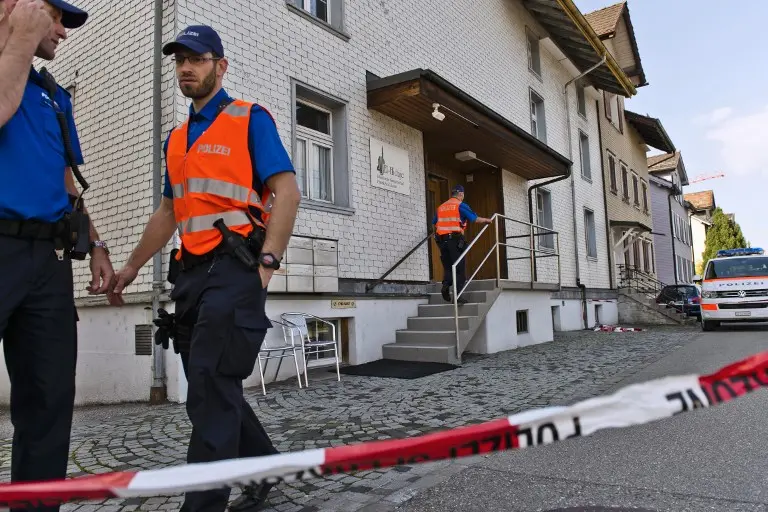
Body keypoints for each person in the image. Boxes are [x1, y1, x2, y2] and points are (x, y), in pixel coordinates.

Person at [107, 24, 301, 512]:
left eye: (196, 59)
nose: (185, 69)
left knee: (209, 384)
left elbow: (287, 192)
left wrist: (267, 265)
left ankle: (203, 505)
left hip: (236, 267)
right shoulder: (176, 139)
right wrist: (130, 268)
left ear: (221, 65)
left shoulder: (249, 118)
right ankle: (264, 469)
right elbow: (168, 213)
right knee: (209, 382)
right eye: (179, 61)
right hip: (190, 276)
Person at [0, 0, 114, 510]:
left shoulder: (52, 94)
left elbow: (65, 182)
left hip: (48, 260)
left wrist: (97, 244)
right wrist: (20, 37)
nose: (63, 32)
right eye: (57, 16)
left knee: (49, 398)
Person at [432, 185, 492, 303]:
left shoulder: (441, 207)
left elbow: (435, 222)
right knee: (459, 268)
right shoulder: (460, 205)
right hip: (455, 240)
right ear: (461, 194)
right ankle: (458, 297)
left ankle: (446, 285)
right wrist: (486, 220)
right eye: (463, 194)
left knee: (448, 267)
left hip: (441, 241)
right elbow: (474, 219)